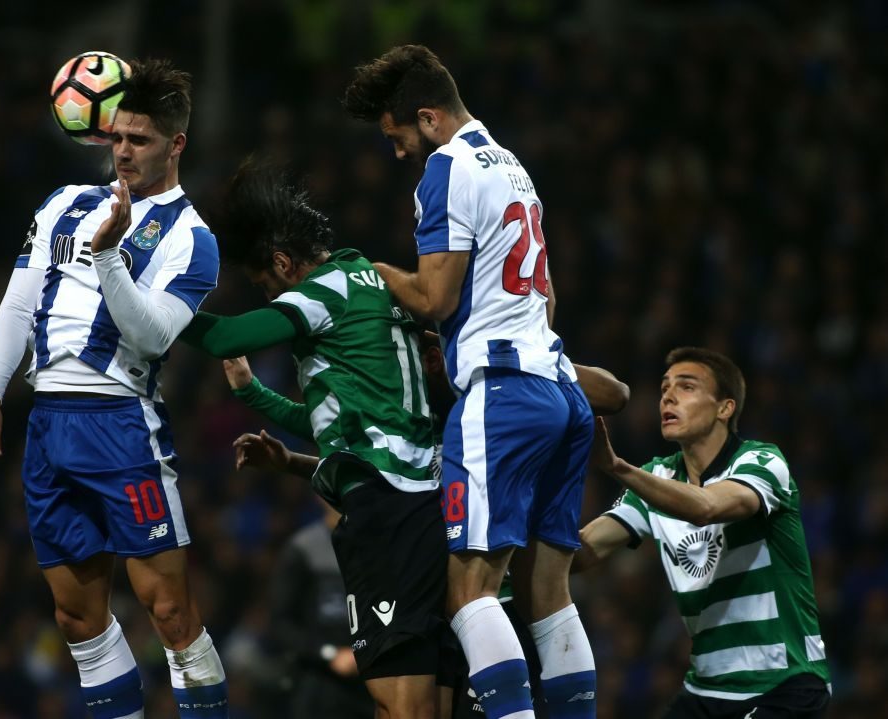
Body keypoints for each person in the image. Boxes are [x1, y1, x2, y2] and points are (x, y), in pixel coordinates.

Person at [0, 59, 229, 718]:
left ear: (176, 144)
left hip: (121, 426)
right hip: (49, 426)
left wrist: (110, 255)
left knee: (168, 610)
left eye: (139, 141)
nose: (124, 151)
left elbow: (151, 337)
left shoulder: (192, 239)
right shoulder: (63, 204)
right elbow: (19, 302)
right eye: (118, 137)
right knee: (77, 616)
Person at [343, 44, 597, 718]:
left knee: (470, 591)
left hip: (503, 395)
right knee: (548, 589)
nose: (399, 155)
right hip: (559, 389)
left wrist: (372, 272)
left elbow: (433, 299)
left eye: (398, 138)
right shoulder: (511, 165)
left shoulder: (448, 168)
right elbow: (545, 298)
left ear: (427, 119)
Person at [226, 331, 630, 719]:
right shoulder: (414, 422)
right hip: (434, 606)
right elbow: (370, 470)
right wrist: (286, 453)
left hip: (496, 605)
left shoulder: (494, 404)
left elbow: (614, 393)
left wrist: (523, 356)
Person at [178, 160, 447, 719]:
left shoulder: (322, 293)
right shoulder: (369, 280)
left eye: (262, 285)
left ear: (281, 263)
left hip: (386, 506)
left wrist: (150, 308)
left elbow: (227, 334)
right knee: (424, 690)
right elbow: (341, 416)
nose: (267, 297)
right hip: (420, 497)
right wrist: (255, 396)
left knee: (397, 699)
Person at [577, 347, 831, 718]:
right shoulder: (659, 476)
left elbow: (705, 507)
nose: (668, 395)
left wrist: (617, 467)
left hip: (784, 685)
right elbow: (585, 550)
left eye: (687, 386)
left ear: (724, 408)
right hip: (705, 691)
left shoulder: (761, 461)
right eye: (665, 387)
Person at [269, 498, 375, 719]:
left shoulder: (380, 547)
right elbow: (281, 623)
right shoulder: (303, 548)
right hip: (317, 680)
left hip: (371, 678)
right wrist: (329, 654)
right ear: (319, 493)